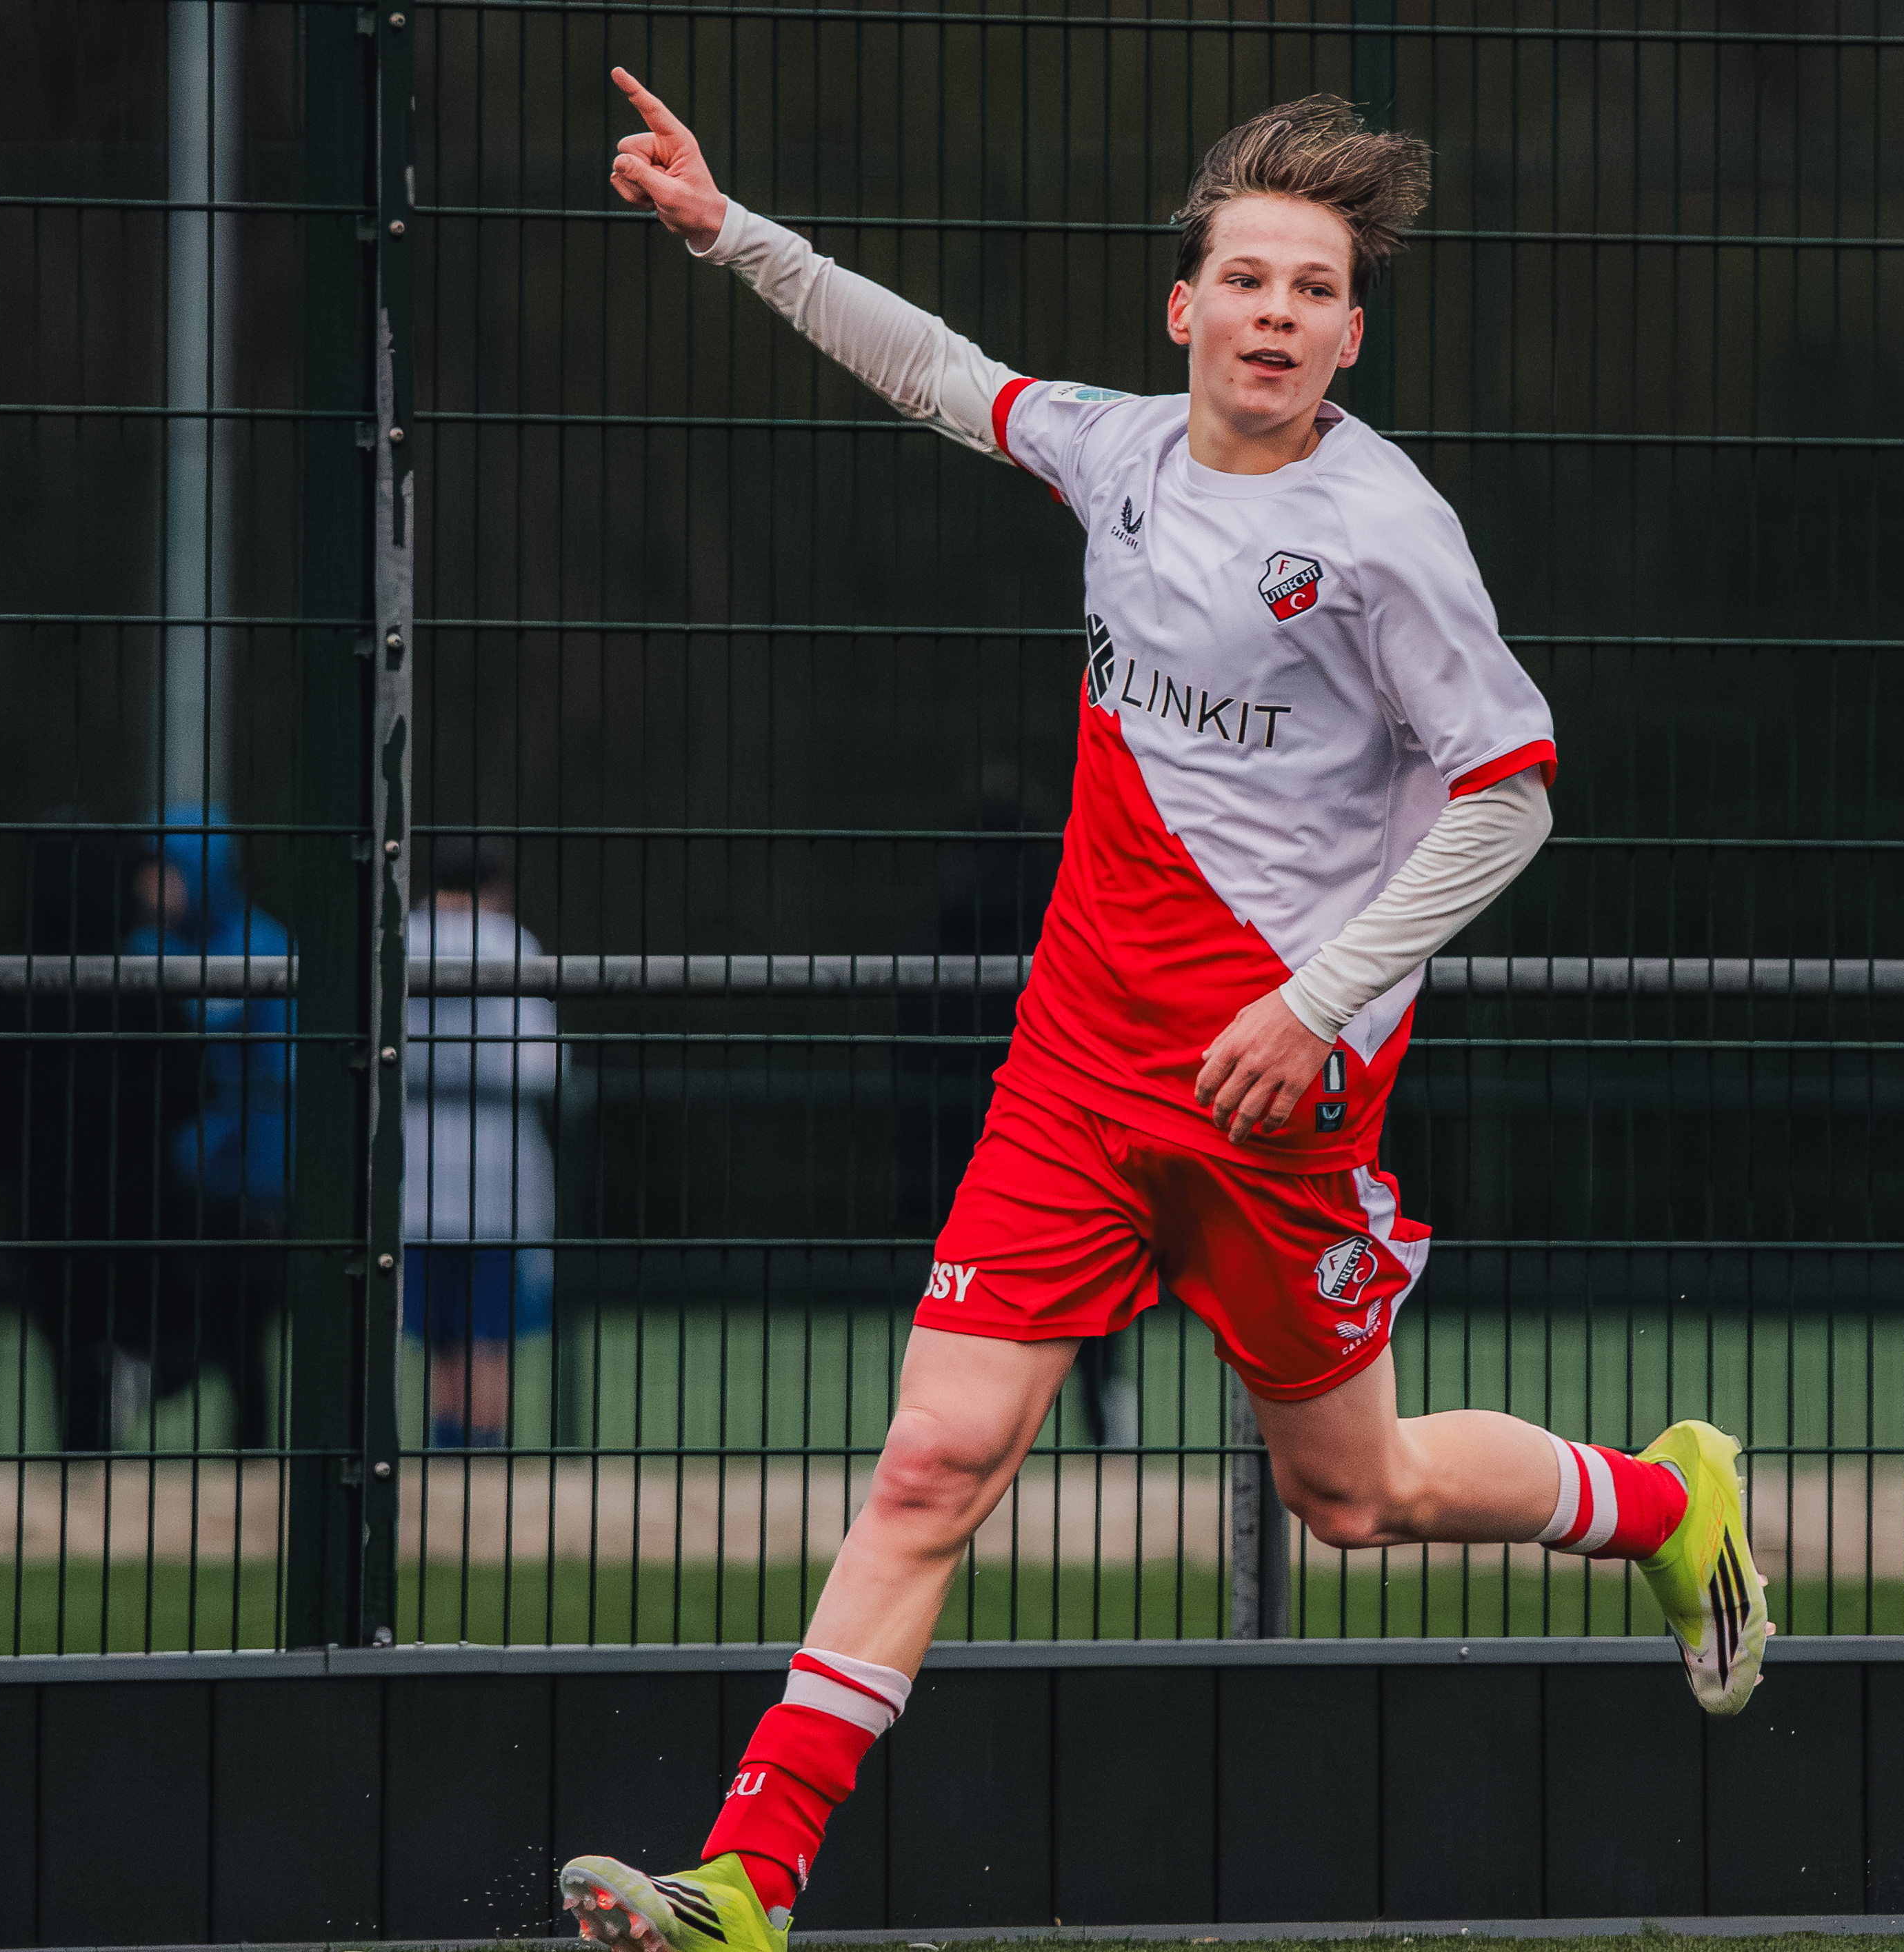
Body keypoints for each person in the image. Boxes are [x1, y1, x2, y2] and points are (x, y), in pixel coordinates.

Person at [559, 80, 1771, 1952]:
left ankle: (1655, 1496)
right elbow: (934, 369)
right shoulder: (1118, 455)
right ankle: (744, 1877)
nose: (1276, 310)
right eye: (1247, 277)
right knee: (932, 1458)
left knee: (1349, 1494)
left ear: (1349, 333)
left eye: (1313, 288)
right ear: (1182, 306)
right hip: (1069, 1074)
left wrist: (1314, 1000)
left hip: (1279, 1103)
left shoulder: (1383, 534)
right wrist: (731, 234)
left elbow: (1511, 787)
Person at [116, 803, 290, 1448]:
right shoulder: (151, 943)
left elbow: (249, 1053)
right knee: (207, 1314)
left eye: (162, 871)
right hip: (185, 1173)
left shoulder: (262, 943)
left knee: (243, 1327)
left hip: (255, 1174)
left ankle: (247, 1461)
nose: (147, 887)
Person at [402, 835, 559, 1448]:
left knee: (439, 1332)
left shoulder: (398, 937)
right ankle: (481, 1458)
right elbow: (539, 1063)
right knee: (487, 1328)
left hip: (410, 1162)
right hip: (495, 1165)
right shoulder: (507, 942)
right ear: (496, 887)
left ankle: (445, 1451)